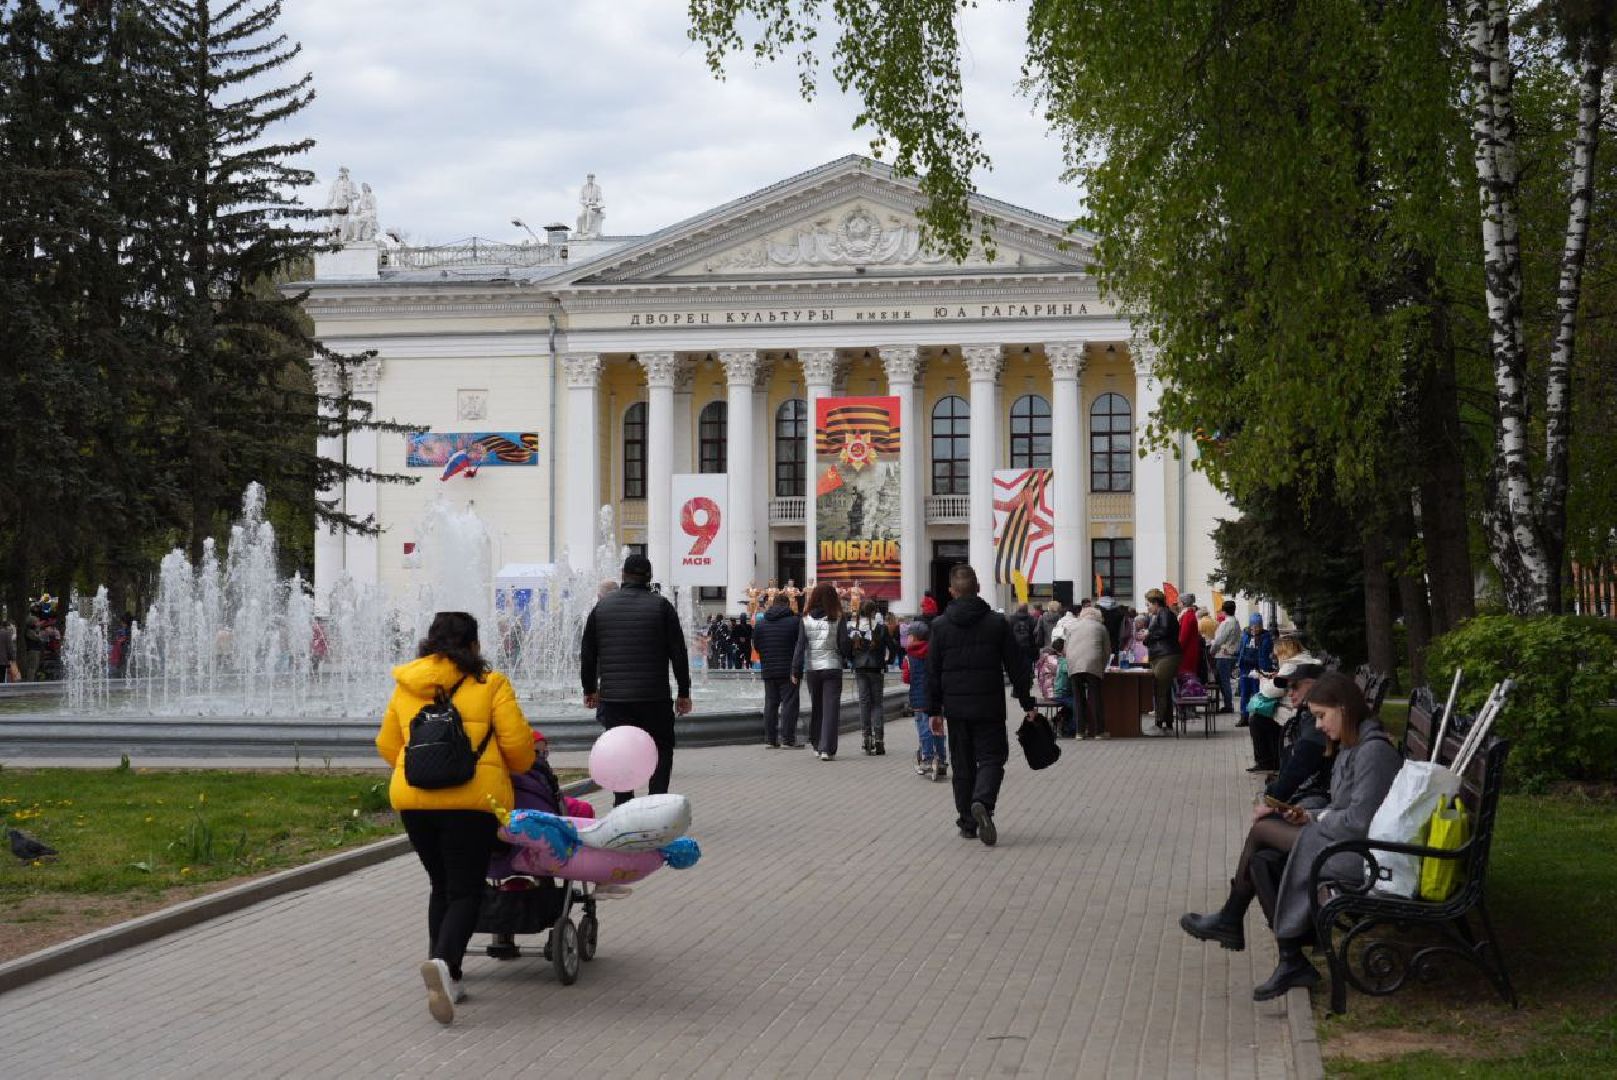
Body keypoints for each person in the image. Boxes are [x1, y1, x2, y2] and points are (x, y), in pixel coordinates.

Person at [1179, 672, 1399, 1001]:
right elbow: (1343, 807)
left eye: (1323, 716)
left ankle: (1232, 916)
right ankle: (1290, 958)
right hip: (1346, 845)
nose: (1320, 725)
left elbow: (1358, 822)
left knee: (1262, 829)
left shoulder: (1372, 752)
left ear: (1344, 708)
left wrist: (1314, 818)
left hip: (1360, 857)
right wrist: (1307, 814)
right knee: (1262, 860)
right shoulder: (1353, 746)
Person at [375, 610, 536, 1025]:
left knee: (441, 886)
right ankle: (445, 966)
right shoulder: (491, 684)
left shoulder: (406, 684)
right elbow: (520, 752)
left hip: (414, 802)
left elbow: (388, 745)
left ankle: (446, 969)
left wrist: (428, 771)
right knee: (466, 891)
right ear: (474, 646)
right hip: (472, 802)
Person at [924, 564, 1038, 847]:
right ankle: (983, 802)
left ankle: (967, 822)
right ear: (978, 588)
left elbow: (932, 671)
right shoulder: (996, 623)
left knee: (962, 765)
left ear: (951, 592)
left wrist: (933, 710)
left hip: (955, 708)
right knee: (992, 758)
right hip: (988, 705)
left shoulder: (939, 626)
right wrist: (1027, 702)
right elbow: (1017, 665)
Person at [579, 554, 692, 804]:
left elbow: (587, 654)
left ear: (623, 575)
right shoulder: (662, 607)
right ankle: (656, 802)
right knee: (662, 747)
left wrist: (589, 689)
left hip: (615, 699)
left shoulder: (601, 609)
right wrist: (684, 691)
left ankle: (623, 803)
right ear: (649, 578)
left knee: (621, 750)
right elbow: (678, 653)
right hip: (654, 696)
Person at [792, 582, 852, 760]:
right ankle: (827, 748)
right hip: (832, 667)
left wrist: (795, 670)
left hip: (813, 668)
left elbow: (800, 646)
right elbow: (843, 644)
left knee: (817, 707)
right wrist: (848, 656)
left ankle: (817, 744)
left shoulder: (805, 618)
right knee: (831, 708)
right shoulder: (838, 617)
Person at [752, 590, 802, 747]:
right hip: (789, 670)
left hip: (768, 669)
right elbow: (800, 645)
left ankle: (771, 740)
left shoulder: (761, 623)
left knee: (771, 704)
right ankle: (788, 739)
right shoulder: (795, 622)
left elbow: (756, 646)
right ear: (787, 604)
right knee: (789, 703)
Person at [902, 620, 948, 781]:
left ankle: (927, 758)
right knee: (937, 728)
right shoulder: (934, 653)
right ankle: (942, 759)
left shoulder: (908, 657)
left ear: (913, 638)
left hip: (919, 699)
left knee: (924, 729)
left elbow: (906, 678)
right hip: (936, 697)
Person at [849, 599, 890, 754]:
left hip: (860, 668)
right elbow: (891, 646)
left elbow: (847, 648)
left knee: (864, 703)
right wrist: (887, 661)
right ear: (874, 612)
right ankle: (879, 739)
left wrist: (852, 660)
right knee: (877, 703)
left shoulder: (854, 628)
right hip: (876, 668)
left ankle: (866, 737)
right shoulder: (881, 628)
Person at [1066, 606, 1111, 740]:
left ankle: (1080, 732)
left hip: (1074, 663)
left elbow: (1066, 647)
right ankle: (1099, 732)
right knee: (1095, 697)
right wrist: (1102, 667)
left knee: (1078, 699)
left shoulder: (1072, 626)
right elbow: (1107, 650)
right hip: (1093, 663)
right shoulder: (1100, 627)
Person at [1142, 589, 1181, 733]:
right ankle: (1168, 724)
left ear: (1155, 603)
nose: (1148, 608)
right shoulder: (1163, 613)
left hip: (1165, 655)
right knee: (1164, 689)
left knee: (1160, 690)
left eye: (1148, 604)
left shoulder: (1163, 613)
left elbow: (1163, 631)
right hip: (1164, 654)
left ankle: (1159, 724)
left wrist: (1148, 635)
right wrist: (1148, 638)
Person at [1211, 600, 1241, 716]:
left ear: (1224, 611)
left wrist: (1212, 650)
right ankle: (1228, 704)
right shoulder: (1236, 622)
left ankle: (1228, 705)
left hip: (1223, 655)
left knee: (1224, 681)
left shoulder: (1226, 623)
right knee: (1225, 680)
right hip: (1231, 654)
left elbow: (1219, 640)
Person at [1176, 592, 1203, 680]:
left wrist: (1177, 650)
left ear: (1183, 603)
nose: (1178, 604)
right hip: (1189, 649)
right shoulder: (1189, 614)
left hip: (1187, 652)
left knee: (1186, 678)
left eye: (1179, 602)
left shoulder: (1187, 616)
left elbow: (1183, 637)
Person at [1096, 589, 1128, 660]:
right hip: (1114, 642)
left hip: (1099, 642)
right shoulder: (1118, 611)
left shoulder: (1096, 610)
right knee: (1113, 664)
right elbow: (1122, 630)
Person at [1009, 602, 1040, 669]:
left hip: (1015, 646)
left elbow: (1009, 633)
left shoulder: (1011, 619)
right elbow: (1034, 634)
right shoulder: (1032, 619)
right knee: (1027, 666)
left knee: (1016, 666)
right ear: (1027, 609)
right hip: (1029, 646)